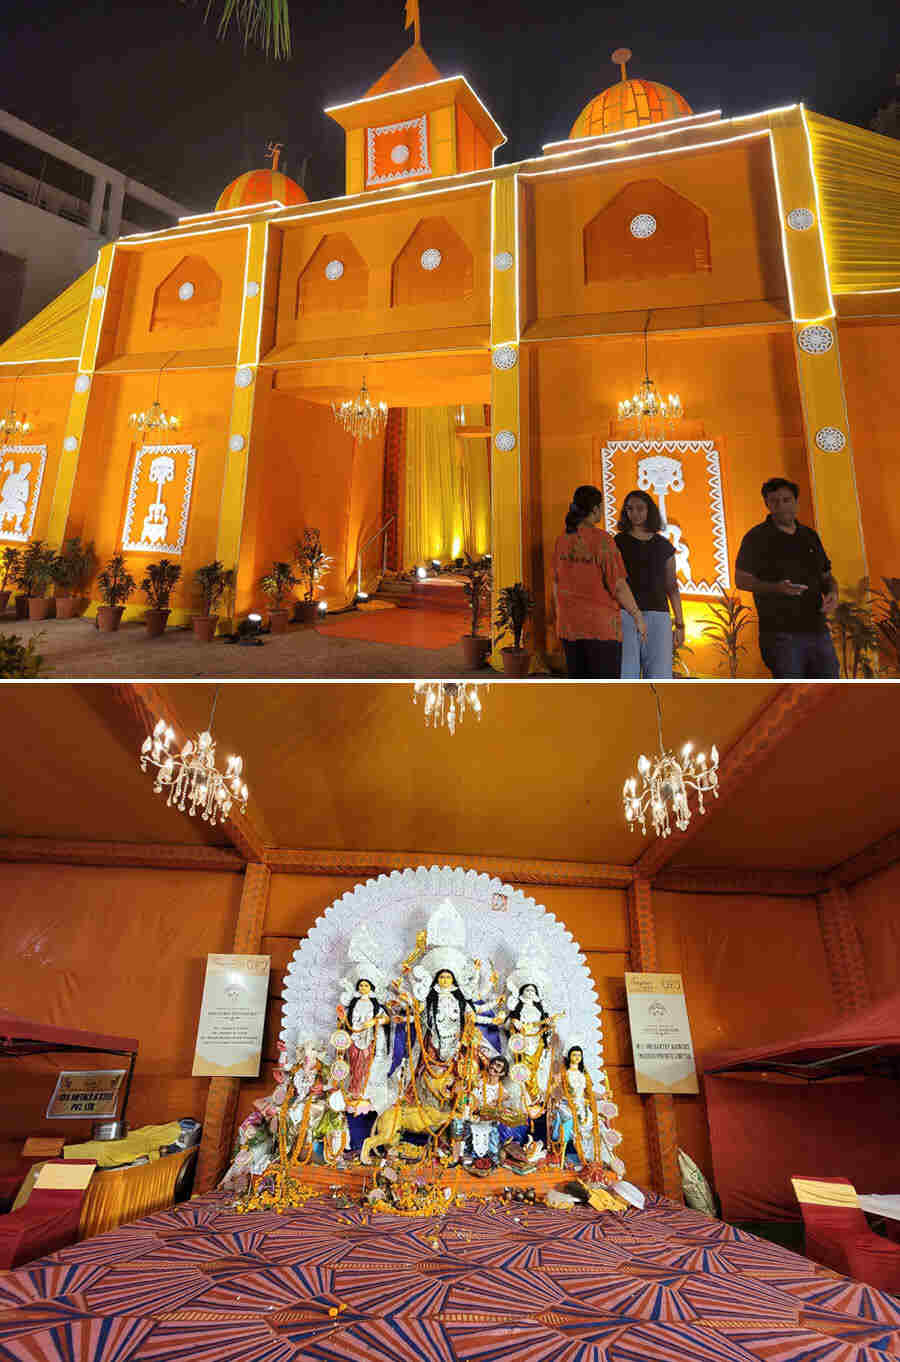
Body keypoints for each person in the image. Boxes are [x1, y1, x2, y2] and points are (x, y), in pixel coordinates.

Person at [735, 478, 840, 678]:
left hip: (818, 629)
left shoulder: (809, 536)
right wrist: (777, 588)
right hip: (780, 634)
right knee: (792, 694)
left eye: (786, 500)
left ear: (796, 502)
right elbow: (741, 580)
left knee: (829, 691)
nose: (781, 506)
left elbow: (826, 576)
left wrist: (833, 592)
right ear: (767, 505)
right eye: (775, 501)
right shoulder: (756, 538)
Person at [552, 485, 646, 678]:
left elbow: (556, 584)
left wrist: (561, 616)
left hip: (569, 626)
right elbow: (618, 586)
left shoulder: (562, 540)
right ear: (595, 509)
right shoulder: (603, 541)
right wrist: (637, 615)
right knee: (604, 690)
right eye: (601, 507)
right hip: (600, 629)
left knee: (580, 688)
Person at [614, 489, 684, 679]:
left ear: (648, 511)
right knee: (626, 675)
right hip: (626, 615)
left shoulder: (663, 545)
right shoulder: (617, 542)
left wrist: (680, 624)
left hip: (658, 614)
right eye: (630, 509)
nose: (634, 513)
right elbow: (613, 583)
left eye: (639, 508)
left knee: (660, 676)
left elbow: (672, 586)